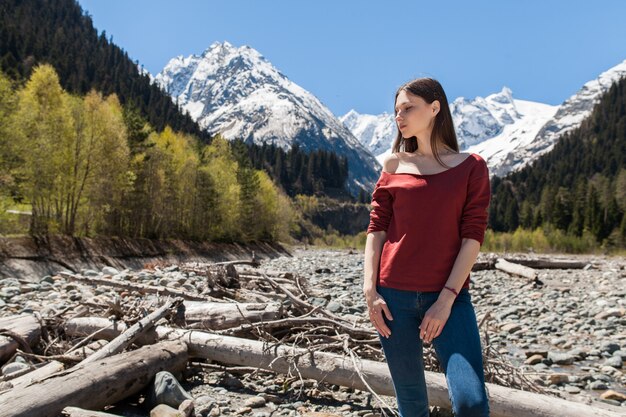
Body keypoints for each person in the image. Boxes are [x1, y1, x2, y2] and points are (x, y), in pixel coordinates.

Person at [363, 77, 491, 417]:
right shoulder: (392, 166)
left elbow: (473, 236)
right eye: (396, 111)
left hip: (449, 298)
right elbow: (376, 229)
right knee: (412, 404)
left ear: (435, 109)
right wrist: (369, 291)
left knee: (471, 403)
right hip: (392, 300)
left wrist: (446, 299)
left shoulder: (471, 167)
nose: (399, 116)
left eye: (408, 108)